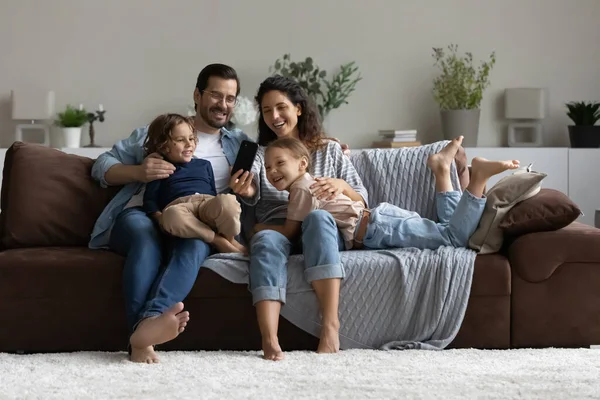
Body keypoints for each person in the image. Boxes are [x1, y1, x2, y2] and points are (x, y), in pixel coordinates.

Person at [89, 63, 251, 364]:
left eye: (230, 98)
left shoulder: (240, 143)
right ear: (197, 95)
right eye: (216, 95)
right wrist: (139, 170)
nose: (223, 105)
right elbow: (101, 166)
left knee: (194, 245)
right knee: (146, 237)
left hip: (197, 219)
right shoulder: (163, 130)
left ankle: (146, 328)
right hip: (144, 214)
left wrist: (247, 194)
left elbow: (283, 159)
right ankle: (142, 336)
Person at [228, 75, 369, 361]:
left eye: (281, 107)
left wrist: (341, 185)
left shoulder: (329, 149)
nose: (274, 116)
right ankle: (269, 339)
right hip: (280, 227)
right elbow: (253, 193)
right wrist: (249, 189)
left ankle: (330, 327)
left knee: (317, 218)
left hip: (323, 230)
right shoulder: (260, 154)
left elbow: (362, 200)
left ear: (298, 109)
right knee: (265, 239)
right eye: (266, 111)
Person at [261, 136, 520, 252]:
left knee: (454, 239)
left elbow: (290, 232)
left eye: (280, 163)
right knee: (446, 229)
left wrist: (256, 230)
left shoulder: (301, 191)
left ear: (303, 164)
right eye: (268, 167)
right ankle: (441, 169)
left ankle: (478, 180)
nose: (272, 171)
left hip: (379, 228)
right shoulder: (313, 183)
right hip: (379, 221)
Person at [142, 113, 246, 254]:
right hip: (180, 208)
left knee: (228, 201)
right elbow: (150, 200)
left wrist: (219, 205)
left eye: (191, 138)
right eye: (180, 140)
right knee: (171, 214)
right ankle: (217, 240)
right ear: (163, 146)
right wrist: (162, 218)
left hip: (206, 204)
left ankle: (229, 238)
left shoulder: (204, 164)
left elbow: (213, 192)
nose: (189, 144)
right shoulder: (160, 167)